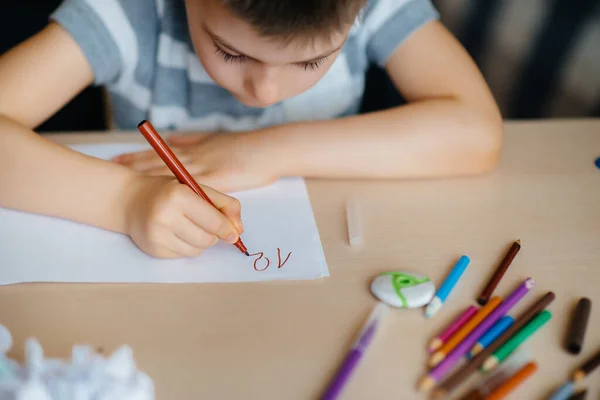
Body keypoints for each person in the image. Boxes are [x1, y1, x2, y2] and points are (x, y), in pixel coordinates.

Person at [0, 0, 502, 259]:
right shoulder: (132, 13)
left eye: (312, 61)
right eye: (231, 52)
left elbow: (476, 130)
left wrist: (267, 151)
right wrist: (124, 202)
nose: (265, 91)